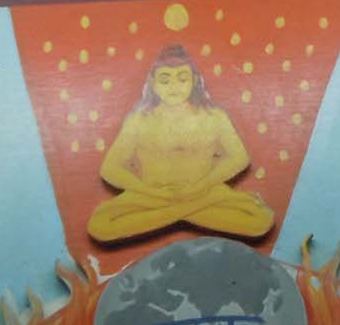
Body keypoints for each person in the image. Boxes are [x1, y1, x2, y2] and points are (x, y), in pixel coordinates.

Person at [87, 44, 275, 243]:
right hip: (152, 197)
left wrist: (199, 188)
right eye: (165, 80)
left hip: (203, 192)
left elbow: (240, 158)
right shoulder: (139, 120)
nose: (174, 86)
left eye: (182, 79)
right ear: (153, 84)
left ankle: (177, 212)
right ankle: (183, 212)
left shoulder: (214, 116)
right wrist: (153, 192)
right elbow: (109, 169)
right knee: (99, 226)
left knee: (261, 220)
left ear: (195, 81)